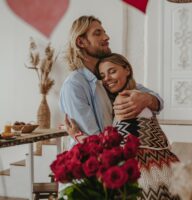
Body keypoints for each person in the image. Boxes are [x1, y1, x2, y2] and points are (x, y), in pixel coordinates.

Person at [60, 15, 163, 147]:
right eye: (98, 33)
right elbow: (94, 141)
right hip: (93, 163)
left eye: (104, 32)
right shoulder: (75, 84)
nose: (106, 37)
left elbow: (158, 101)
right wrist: (77, 135)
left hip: (117, 159)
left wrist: (146, 99)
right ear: (81, 42)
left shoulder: (109, 80)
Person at [95, 53, 180, 200]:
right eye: (102, 75)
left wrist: (76, 134)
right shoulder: (138, 93)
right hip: (166, 166)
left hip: (145, 174)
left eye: (112, 71)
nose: (106, 79)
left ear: (127, 70)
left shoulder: (125, 98)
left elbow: (116, 141)